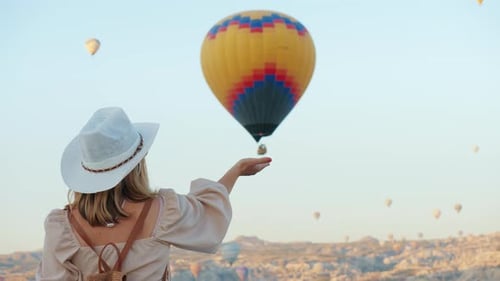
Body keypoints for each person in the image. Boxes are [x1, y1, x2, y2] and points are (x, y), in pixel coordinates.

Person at [36, 107, 272, 280]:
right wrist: (236, 171)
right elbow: (208, 214)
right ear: (137, 164)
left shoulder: (62, 227)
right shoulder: (161, 211)